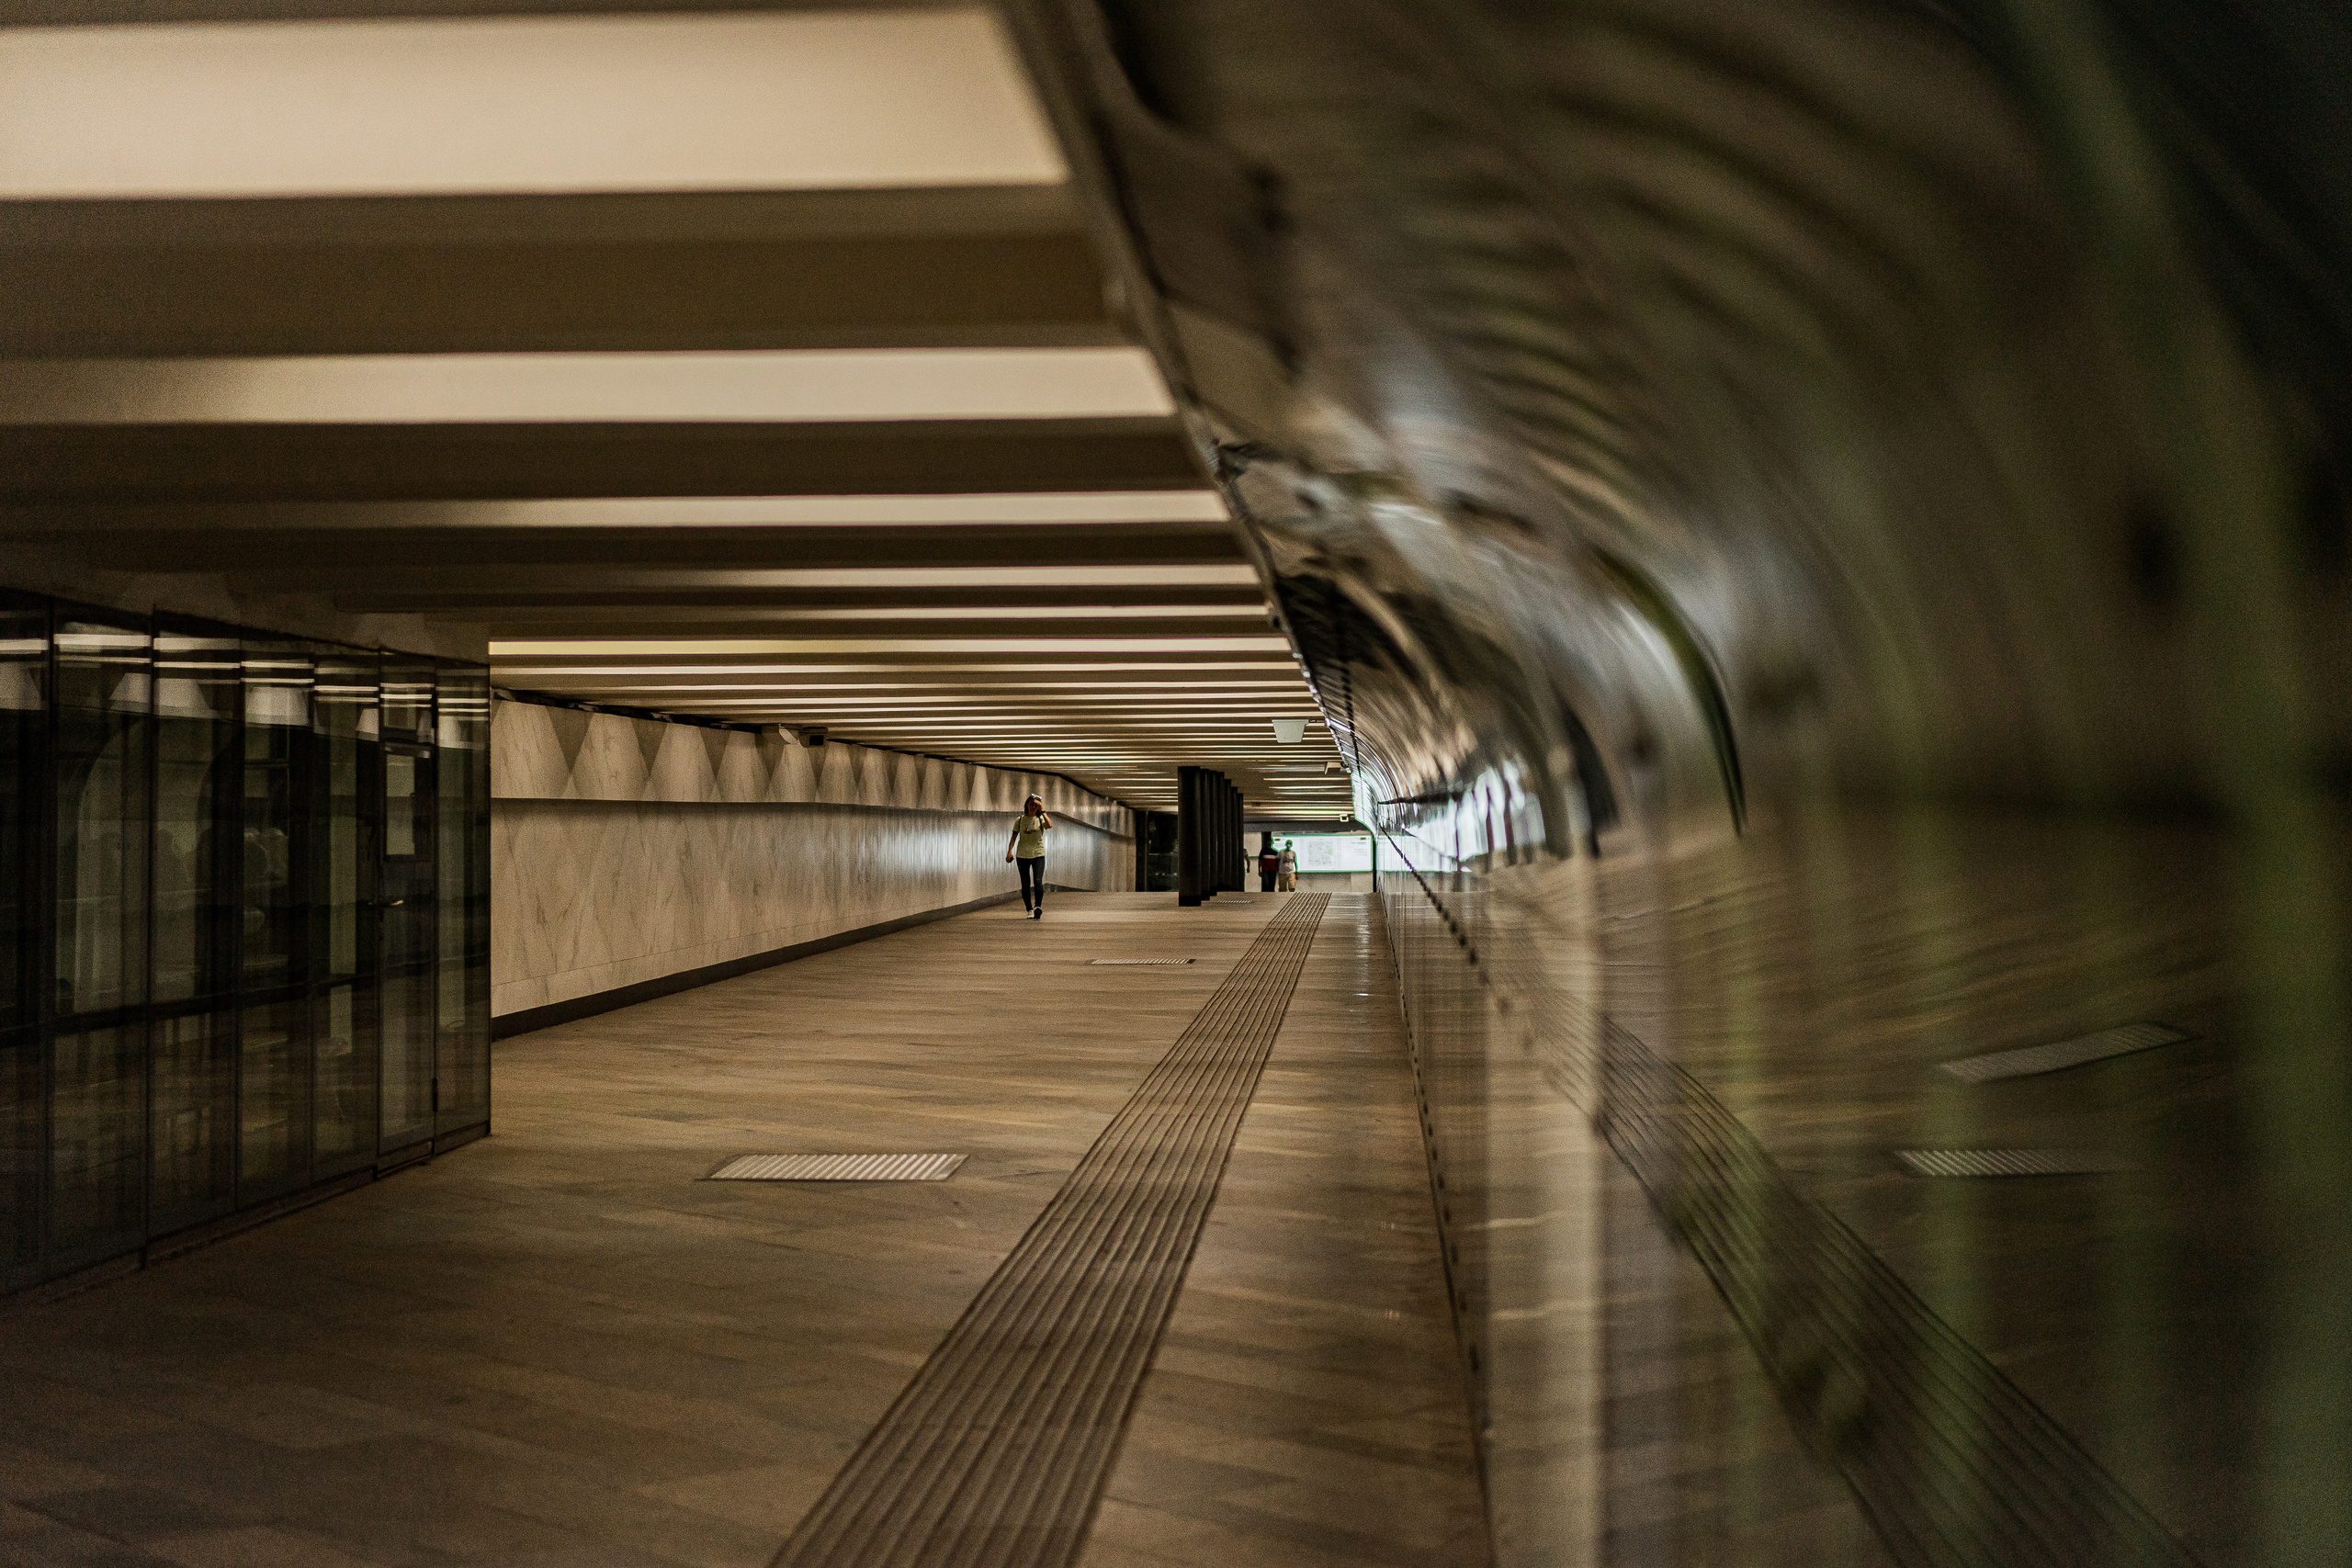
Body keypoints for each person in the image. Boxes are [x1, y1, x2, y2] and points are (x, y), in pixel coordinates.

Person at [1005, 794, 1053, 919]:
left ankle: (1038, 906)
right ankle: (1029, 909)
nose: (1033, 807)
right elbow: (1014, 837)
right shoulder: (1020, 820)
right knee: (1025, 883)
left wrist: (1042, 811)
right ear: (1026, 804)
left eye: (1036, 805)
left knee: (1038, 881)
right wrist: (1009, 851)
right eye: (1032, 804)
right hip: (1022, 855)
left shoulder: (1040, 818)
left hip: (1038, 854)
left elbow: (1049, 825)